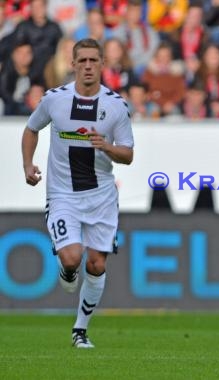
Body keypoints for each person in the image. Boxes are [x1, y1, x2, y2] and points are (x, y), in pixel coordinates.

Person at [21, 38, 134, 348]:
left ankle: (80, 330)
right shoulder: (54, 99)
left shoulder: (115, 106)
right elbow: (31, 129)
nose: (87, 66)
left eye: (93, 61)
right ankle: (67, 269)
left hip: (101, 196)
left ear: (101, 65)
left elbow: (128, 154)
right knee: (72, 258)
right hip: (63, 194)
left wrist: (107, 147)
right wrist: (28, 164)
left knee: (97, 264)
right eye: (81, 61)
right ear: (72, 64)